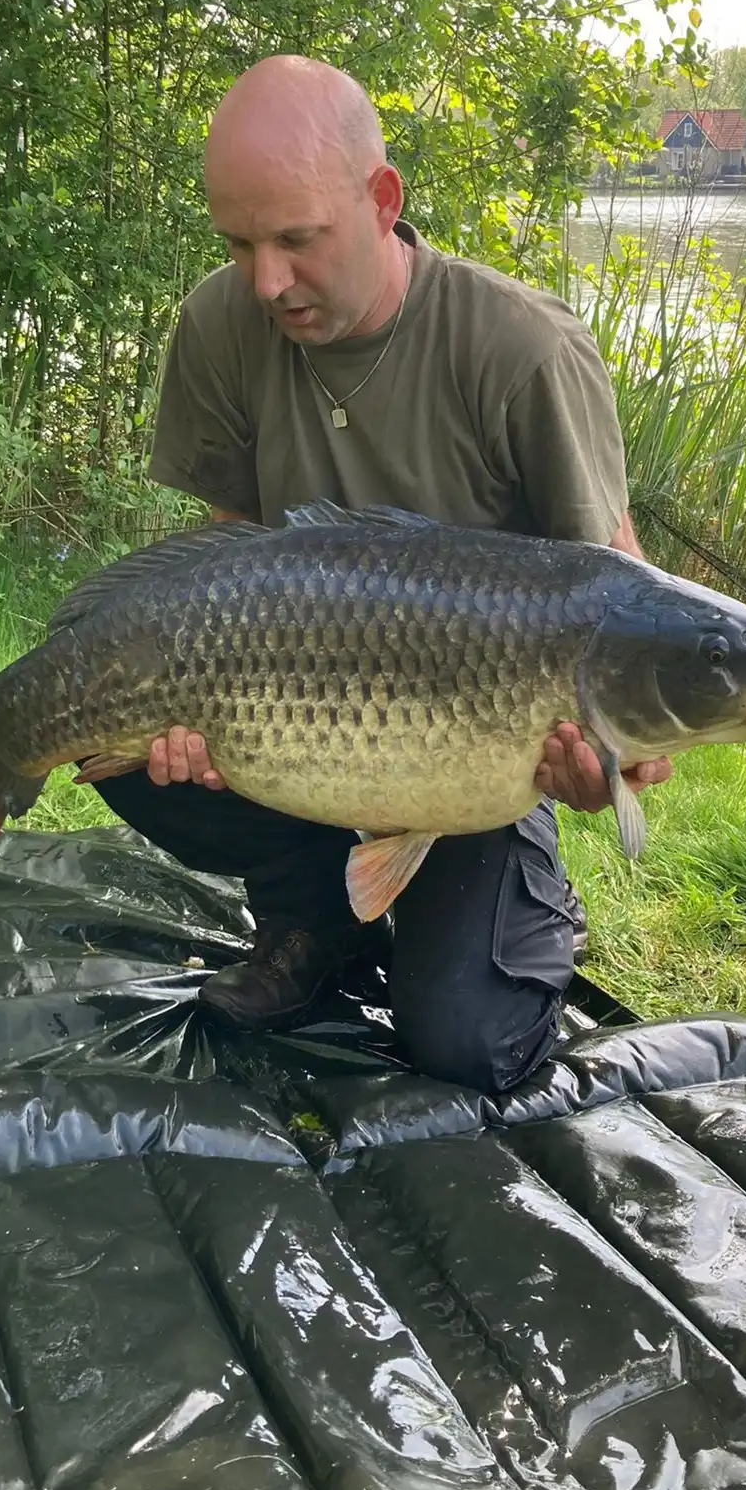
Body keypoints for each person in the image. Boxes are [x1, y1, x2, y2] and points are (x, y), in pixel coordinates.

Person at [86, 55, 672, 1094]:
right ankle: (313, 920)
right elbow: (228, 559)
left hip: (478, 742)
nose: (265, 282)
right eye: (238, 244)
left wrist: (613, 764)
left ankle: (514, 896)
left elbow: (614, 595)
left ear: (381, 200)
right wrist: (199, 709)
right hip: (302, 701)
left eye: (296, 241)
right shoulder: (220, 325)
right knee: (108, 724)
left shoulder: (524, 351)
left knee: (467, 1046)